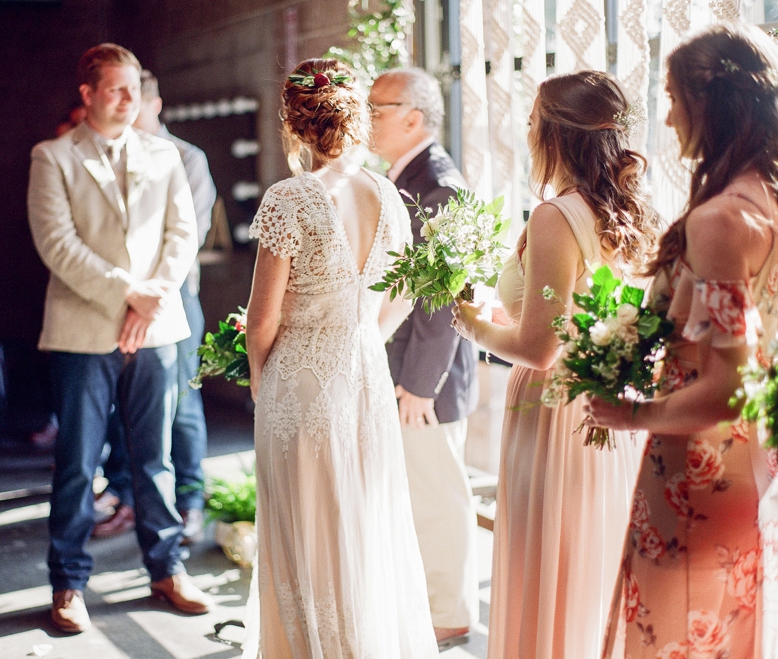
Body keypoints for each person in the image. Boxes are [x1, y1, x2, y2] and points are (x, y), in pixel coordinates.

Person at [584, 23, 778, 658]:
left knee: (674, 638)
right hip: (743, 467)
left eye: (671, 98)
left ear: (706, 103)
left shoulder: (723, 221)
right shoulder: (765, 201)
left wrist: (633, 413)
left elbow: (730, 388)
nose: (666, 119)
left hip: (697, 474)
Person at [452, 70, 657, 658]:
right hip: (608, 405)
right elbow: (583, 318)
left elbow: (542, 347)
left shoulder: (554, 216)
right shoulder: (625, 212)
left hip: (553, 412)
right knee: (590, 563)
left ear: (554, 134)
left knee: (549, 562)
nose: (526, 132)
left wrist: (472, 324)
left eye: (532, 121)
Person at [243, 57, 439, 657]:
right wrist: (361, 338)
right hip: (364, 377)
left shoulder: (289, 199)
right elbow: (405, 295)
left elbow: (262, 319)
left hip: (298, 384)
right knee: (363, 522)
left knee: (305, 528)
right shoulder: (388, 193)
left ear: (294, 124)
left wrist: (258, 376)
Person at [27, 43, 213, 633]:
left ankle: (167, 570)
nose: (131, 100)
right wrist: (128, 294)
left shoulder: (165, 155)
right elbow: (57, 245)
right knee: (78, 463)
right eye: (117, 89)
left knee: (155, 458)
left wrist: (154, 294)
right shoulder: (52, 156)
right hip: (84, 331)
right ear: (87, 94)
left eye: (135, 89)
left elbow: (183, 236)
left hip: (156, 326)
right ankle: (68, 584)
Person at [368, 67, 480, 645]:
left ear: (413, 116)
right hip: (407, 371)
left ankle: (452, 612)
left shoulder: (438, 183)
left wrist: (418, 384)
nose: (366, 116)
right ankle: (428, 604)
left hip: (426, 378)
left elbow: (441, 298)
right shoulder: (402, 176)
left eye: (377, 106)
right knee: (416, 494)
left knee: (438, 496)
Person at [93, 69, 217, 543]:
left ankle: (189, 502)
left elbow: (189, 237)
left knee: (181, 401)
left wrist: (150, 295)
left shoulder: (187, 159)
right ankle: (127, 496)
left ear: (154, 103)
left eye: (133, 100)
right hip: (120, 294)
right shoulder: (112, 157)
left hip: (172, 295)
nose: (123, 109)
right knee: (125, 405)